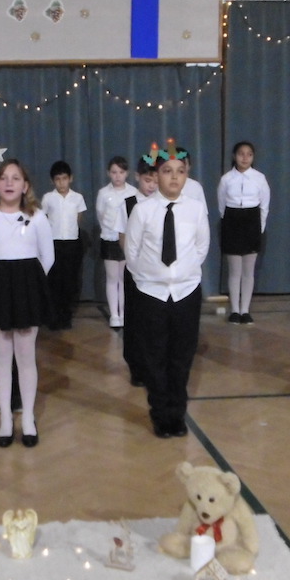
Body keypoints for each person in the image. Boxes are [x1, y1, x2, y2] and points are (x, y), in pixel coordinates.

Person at [125, 145, 210, 438]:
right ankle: (160, 414)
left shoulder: (195, 210)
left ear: (187, 175)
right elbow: (132, 251)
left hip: (186, 293)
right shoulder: (143, 210)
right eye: (167, 171)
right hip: (151, 295)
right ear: (156, 175)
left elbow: (201, 247)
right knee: (154, 356)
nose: (174, 177)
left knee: (181, 356)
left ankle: (177, 413)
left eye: (180, 171)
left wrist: (183, 273)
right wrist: (150, 277)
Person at [0, 159, 54, 448]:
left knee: (26, 356)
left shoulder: (37, 216)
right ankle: (6, 418)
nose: (9, 183)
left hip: (27, 287)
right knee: (2, 355)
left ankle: (28, 417)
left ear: (25, 186)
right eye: (3, 178)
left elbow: (47, 257)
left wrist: (28, 282)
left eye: (15, 178)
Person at [216, 141, 270, 325]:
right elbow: (221, 205)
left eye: (249, 154)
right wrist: (228, 222)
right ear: (234, 156)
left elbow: (264, 206)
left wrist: (259, 229)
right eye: (241, 154)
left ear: (253, 157)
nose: (245, 158)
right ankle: (235, 310)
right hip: (232, 221)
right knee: (234, 271)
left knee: (248, 271)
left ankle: (245, 310)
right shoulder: (226, 179)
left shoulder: (259, 178)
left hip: (252, 222)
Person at [122, 157, 159, 387]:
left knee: (154, 322)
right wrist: (136, 265)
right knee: (135, 321)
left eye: (155, 180)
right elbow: (122, 238)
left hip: (157, 272)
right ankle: (136, 368)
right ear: (137, 177)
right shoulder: (128, 204)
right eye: (147, 180)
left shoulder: (162, 204)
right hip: (136, 271)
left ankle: (155, 366)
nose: (152, 186)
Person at [41, 160, 87, 330]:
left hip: (72, 244)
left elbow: (78, 219)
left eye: (64, 178)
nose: (61, 183)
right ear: (52, 181)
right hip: (53, 244)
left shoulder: (78, 198)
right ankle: (53, 317)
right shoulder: (48, 198)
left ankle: (66, 316)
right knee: (54, 281)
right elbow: (43, 218)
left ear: (71, 178)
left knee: (70, 281)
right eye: (58, 179)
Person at [96, 156, 138, 329]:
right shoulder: (103, 193)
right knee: (112, 278)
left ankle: (124, 313)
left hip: (127, 239)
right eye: (114, 172)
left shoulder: (133, 192)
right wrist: (110, 230)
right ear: (108, 173)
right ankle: (114, 315)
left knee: (124, 278)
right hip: (110, 238)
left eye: (121, 172)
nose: (118, 176)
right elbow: (100, 215)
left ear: (127, 173)